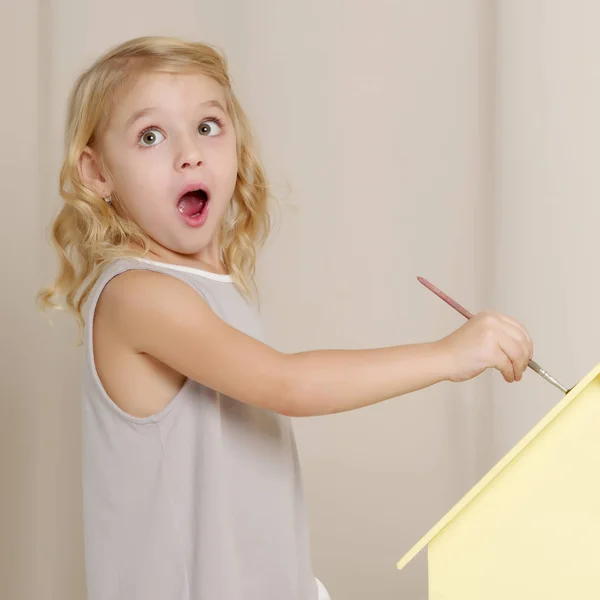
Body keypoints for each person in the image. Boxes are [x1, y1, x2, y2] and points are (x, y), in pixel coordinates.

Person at [38, 36, 533, 600]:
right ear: (96, 172)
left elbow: (241, 489)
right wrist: (448, 355)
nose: (188, 153)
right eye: (151, 136)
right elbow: (288, 385)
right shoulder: (139, 296)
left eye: (207, 126)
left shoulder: (209, 291)